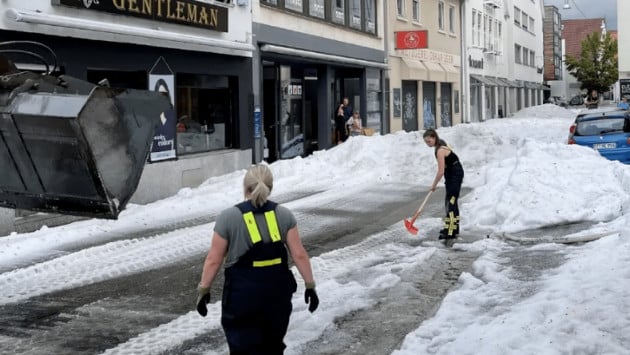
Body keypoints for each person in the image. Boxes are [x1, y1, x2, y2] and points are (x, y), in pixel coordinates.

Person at [196, 164, 319, 354]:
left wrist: (204, 289)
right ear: (270, 187)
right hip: (277, 295)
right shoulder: (284, 215)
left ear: (246, 188)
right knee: (272, 347)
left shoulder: (228, 218)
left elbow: (213, 259)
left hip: (241, 297)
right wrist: (310, 286)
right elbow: (299, 254)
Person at [423, 129, 464, 241]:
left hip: (454, 174)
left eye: (429, 141)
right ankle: (453, 229)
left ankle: (450, 232)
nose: (427, 144)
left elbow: (440, 171)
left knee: (451, 202)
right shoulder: (440, 144)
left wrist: (434, 185)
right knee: (451, 201)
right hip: (453, 174)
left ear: (434, 137)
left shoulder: (440, 150)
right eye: (426, 142)